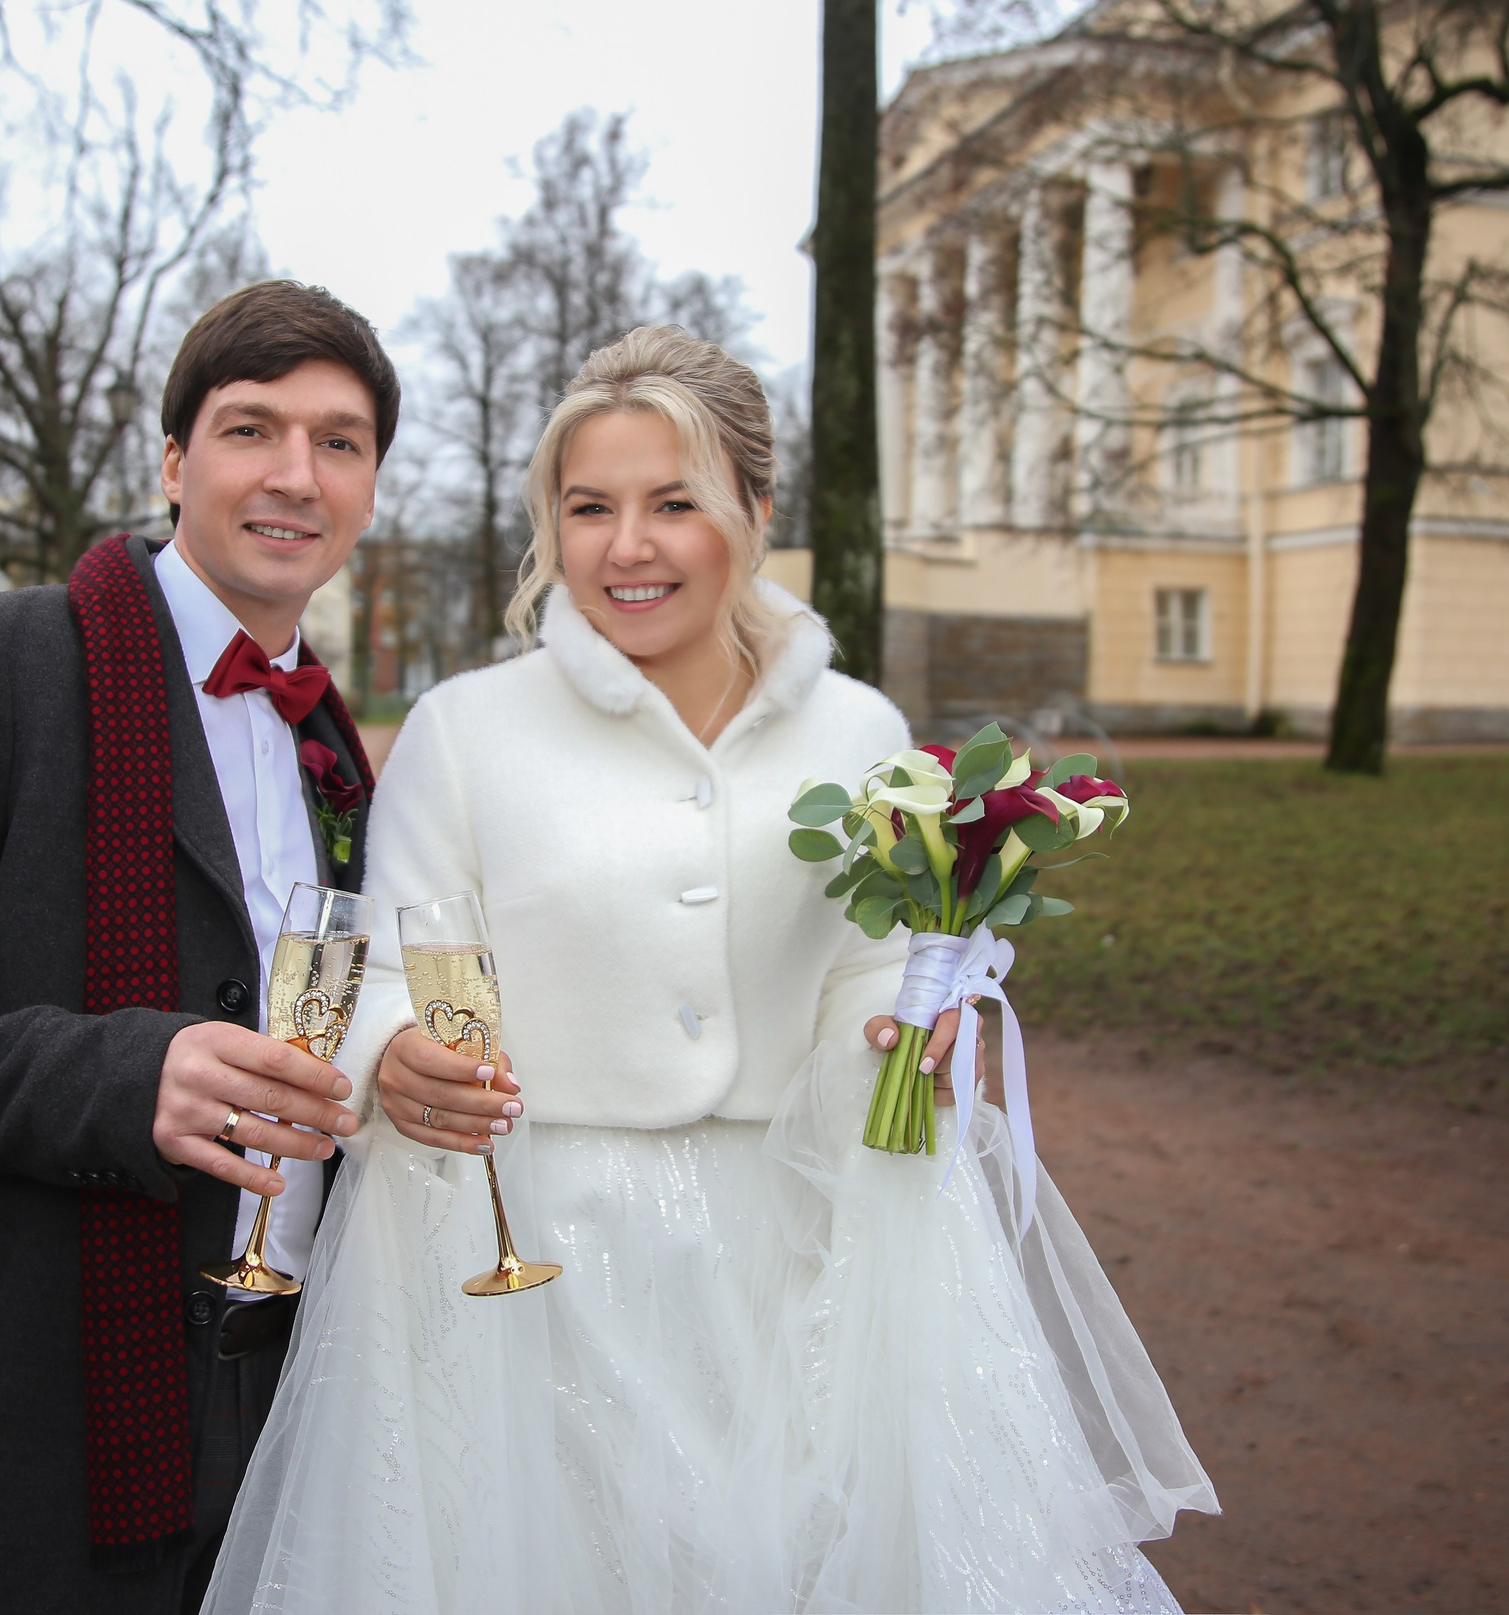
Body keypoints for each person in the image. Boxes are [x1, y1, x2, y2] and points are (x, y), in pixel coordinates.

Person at [202, 327, 1217, 1615]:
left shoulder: (858, 732)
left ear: (756, 508)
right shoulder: (468, 729)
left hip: (798, 1253)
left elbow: (875, 967)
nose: (628, 547)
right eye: (590, 509)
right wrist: (392, 1053)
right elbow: (392, 971)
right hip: (527, 1262)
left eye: (673, 503)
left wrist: (916, 1030)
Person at [0, 281, 399, 1614]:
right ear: (173, 462)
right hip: (13, 1404)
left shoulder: (335, 748)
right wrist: (122, 1079)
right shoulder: (10, 660)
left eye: (338, 442)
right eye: (250, 430)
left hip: (269, 1392)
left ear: (372, 486)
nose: (295, 475)